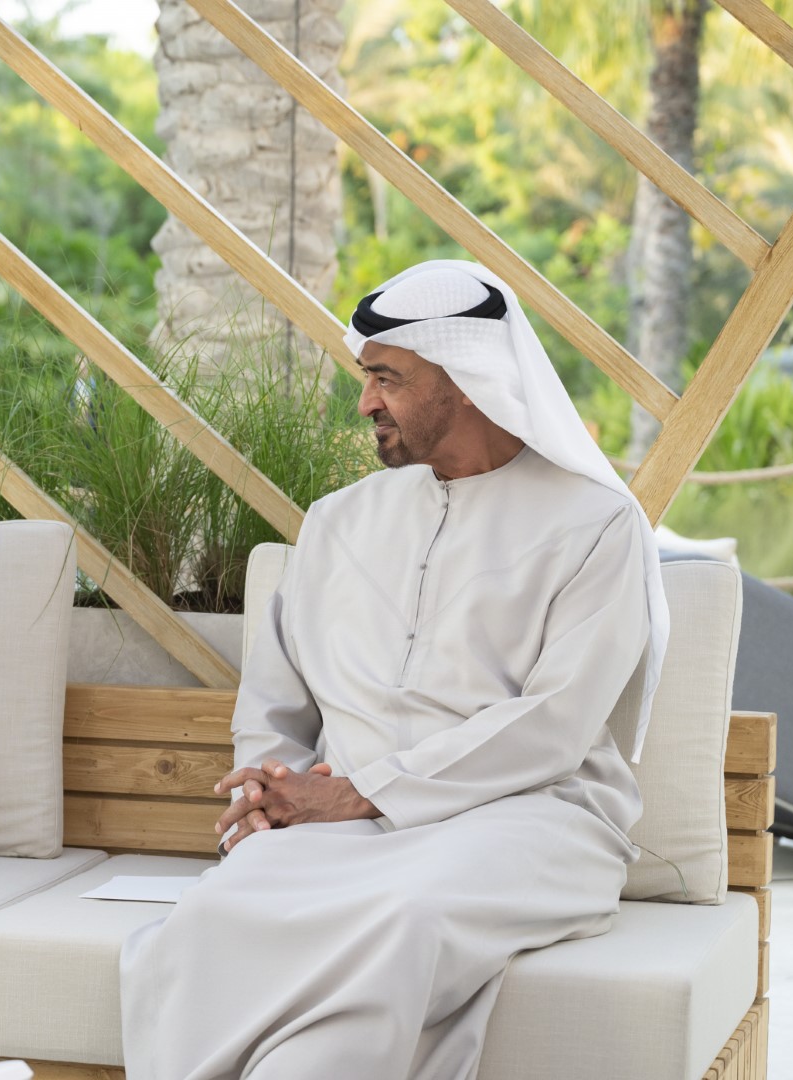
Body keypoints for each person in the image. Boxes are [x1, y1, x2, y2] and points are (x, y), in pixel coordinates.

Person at [119, 261, 669, 1080]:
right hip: (344, 822)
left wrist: (357, 791)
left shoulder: (596, 525)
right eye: (365, 376)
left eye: (386, 378)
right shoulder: (339, 522)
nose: (365, 402)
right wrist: (271, 791)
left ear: (472, 382)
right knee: (212, 916)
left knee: (406, 916)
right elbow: (276, 703)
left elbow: (554, 725)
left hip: (530, 820)